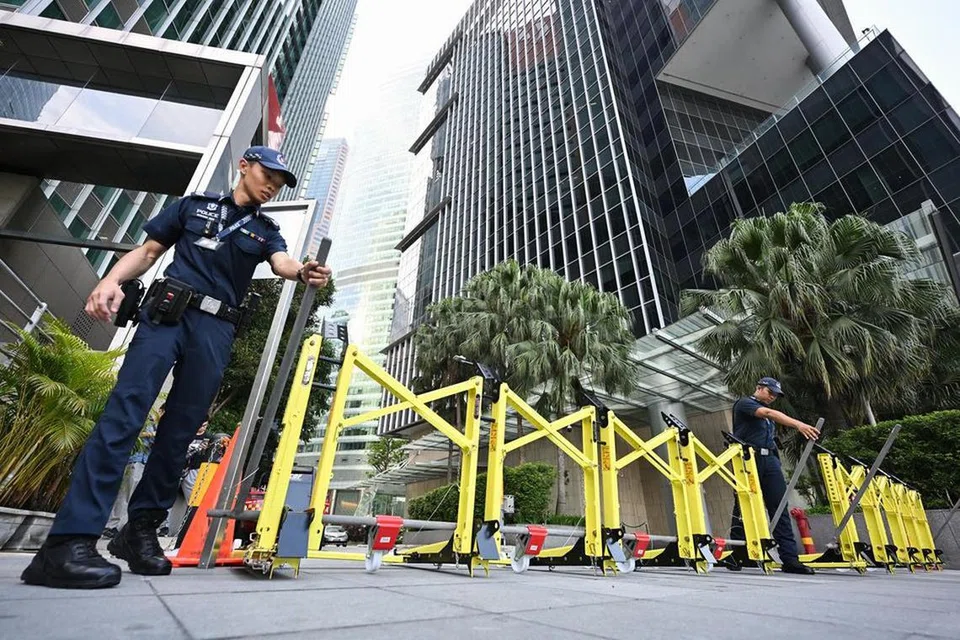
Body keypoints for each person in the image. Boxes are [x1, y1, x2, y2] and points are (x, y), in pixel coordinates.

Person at [21, 146, 332, 590]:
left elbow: (282, 263)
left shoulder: (267, 232)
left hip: (217, 330)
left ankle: (140, 531)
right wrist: (110, 281)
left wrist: (302, 271)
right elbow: (148, 251)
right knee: (125, 413)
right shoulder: (193, 206)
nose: (271, 186)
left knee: (182, 432)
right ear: (244, 165)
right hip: (168, 316)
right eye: (268, 175)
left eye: (280, 184)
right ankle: (68, 542)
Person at [728, 377, 819, 575]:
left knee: (779, 508)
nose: (772, 397)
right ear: (759, 388)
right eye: (770, 393)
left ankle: (790, 559)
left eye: (775, 395)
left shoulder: (768, 417)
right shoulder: (745, 404)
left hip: (770, 460)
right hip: (749, 460)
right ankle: (739, 554)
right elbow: (767, 412)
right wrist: (799, 425)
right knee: (744, 506)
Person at [102, 404, 163, 539]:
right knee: (125, 495)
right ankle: (111, 526)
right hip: (135, 461)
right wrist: (153, 434)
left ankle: (117, 526)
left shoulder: (157, 425)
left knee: (131, 496)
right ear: (160, 411)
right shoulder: (147, 421)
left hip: (144, 462)